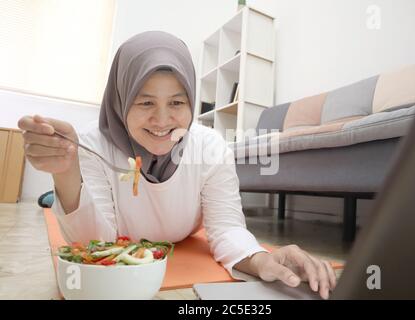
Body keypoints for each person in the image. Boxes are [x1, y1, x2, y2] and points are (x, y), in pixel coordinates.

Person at [18, 31, 336, 299]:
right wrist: (66, 173)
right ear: (119, 100)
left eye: (176, 102)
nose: (162, 120)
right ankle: (51, 197)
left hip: (184, 233)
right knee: (56, 199)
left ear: (191, 101)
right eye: (144, 102)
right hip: (110, 217)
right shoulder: (92, 145)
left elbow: (226, 228)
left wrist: (261, 259)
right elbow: (93, 246)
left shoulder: (210, 148)